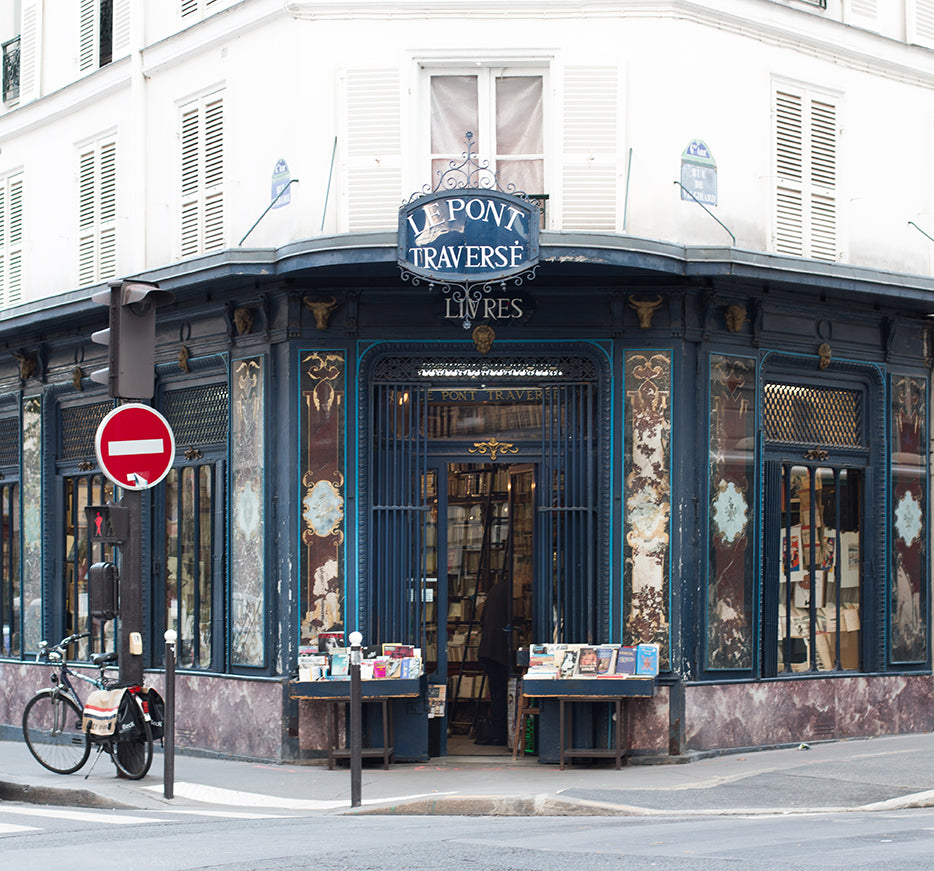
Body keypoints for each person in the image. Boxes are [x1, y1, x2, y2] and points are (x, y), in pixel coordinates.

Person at [476, 576, 511, 746]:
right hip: (499, 652)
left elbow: (482, 619)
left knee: (497, 693)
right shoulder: (512, 590)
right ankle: (501, 734)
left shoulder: (496, 588)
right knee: (503, 694)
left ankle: (499, 733)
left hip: (488, 650)